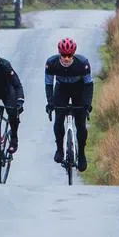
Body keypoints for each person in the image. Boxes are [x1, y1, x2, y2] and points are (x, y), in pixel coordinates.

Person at [44, 37, 94, 171]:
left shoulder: (82, 63)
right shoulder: (51, 63)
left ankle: (82, 154)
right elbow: (49, 84)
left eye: (69, 56)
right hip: (61, 89)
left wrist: (87, 104)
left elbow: (89, 85)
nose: (66, 59)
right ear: (59, 54)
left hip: (79, 89)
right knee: (58, 120)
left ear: (73, 54)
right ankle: (60, 150)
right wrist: (50, 103)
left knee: (81, 125)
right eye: (63, 55)